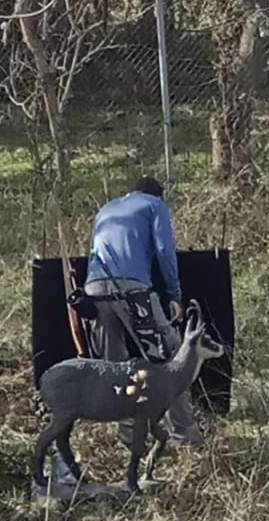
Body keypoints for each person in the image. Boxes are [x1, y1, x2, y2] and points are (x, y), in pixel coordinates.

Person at [83, 176, 205, 448]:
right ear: (158, 195)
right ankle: (185, 436)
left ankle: (128, 438)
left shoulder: (107, 208)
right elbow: (164, 250)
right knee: (171, 361)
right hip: (132, 291)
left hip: (94, 290)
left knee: (115, 368)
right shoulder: (154, 206)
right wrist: (174, 295)